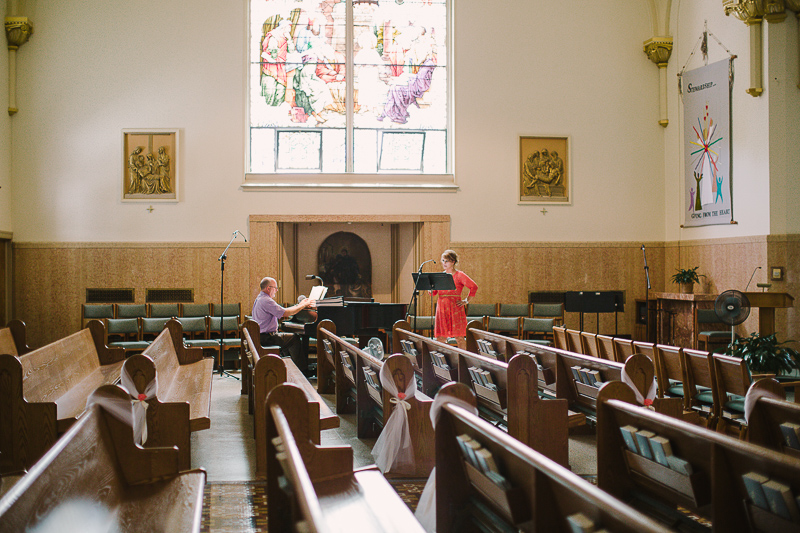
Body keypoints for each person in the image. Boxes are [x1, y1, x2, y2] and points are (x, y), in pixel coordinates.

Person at [252, 276, 317, 370]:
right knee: (294, 338)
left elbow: (284, 310)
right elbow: (285, 313)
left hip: (263, 336)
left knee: (289, 339)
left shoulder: (260, 298)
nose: (277, 290)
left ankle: (290, 367)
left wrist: (300, 305)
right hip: (267, 338)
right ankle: (301, 370)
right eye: (275, 288)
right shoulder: (266, 300)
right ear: (268, 288)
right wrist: (303, 305)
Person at [431, 250, 478, 350]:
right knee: (440, 337)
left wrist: (466, 300)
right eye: (443, 260)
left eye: (446, 261)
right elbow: (433, 293)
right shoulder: (440, 276)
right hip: (442, 307)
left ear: (453, 262)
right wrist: (429, 287)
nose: (444, 263)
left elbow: (474, 286)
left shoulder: (459, 275)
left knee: (459, 337)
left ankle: (462, 358)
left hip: (455, 307)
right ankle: (442, 360)